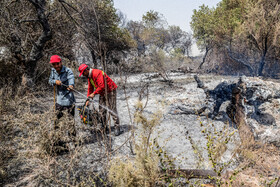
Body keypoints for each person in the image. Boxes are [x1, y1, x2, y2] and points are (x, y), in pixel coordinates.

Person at [78, 64, 121, 136]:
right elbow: (90, 88)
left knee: (112, 109)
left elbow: (102, 86)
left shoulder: (97, 73)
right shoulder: (89, 76)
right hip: (102, 92)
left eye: (83, 73)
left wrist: (94, 94)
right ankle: (104, 128)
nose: (83, 75)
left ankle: (117, 127)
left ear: (86, 70)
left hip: (110, 90)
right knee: (101, 111)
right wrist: (88, 98)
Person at [49, 55, 76, 139]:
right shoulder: (53, 71)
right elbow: (50, 81)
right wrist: (54, 81)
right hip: (59, 101)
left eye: (57, 64)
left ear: (61, 62)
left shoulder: (68, 71)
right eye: (54, 64)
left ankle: (73, 140)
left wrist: (71, 86)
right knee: (57, 121)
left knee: (70, 122)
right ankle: (58, 140)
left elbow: (71, 80)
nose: (56, 66)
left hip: (69, 100)